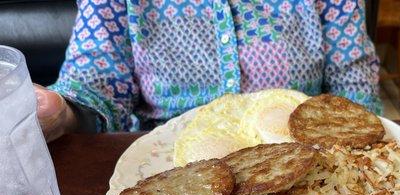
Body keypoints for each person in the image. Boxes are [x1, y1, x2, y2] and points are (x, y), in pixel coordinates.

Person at [36, 0, 382, 142]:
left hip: (304, 153)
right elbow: (94, 81)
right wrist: (59, 112)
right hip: (163, 160)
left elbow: (354, 87)